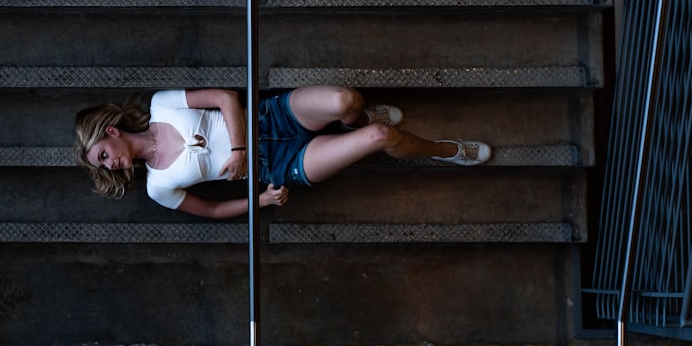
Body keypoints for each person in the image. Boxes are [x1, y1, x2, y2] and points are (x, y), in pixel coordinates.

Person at [74, 86, 491, 219]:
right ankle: (445, 149)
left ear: (111, 132)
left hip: (268, 119)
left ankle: (355, 119)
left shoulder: (163, 104)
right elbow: (214, 212)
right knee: (381, 137)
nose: (112, 165)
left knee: (347, 98)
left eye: (104, 155)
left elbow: (224, 97)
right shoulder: (158, 188)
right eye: (105, 166)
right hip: (278, 164)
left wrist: (236, 147)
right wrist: (262, 200)